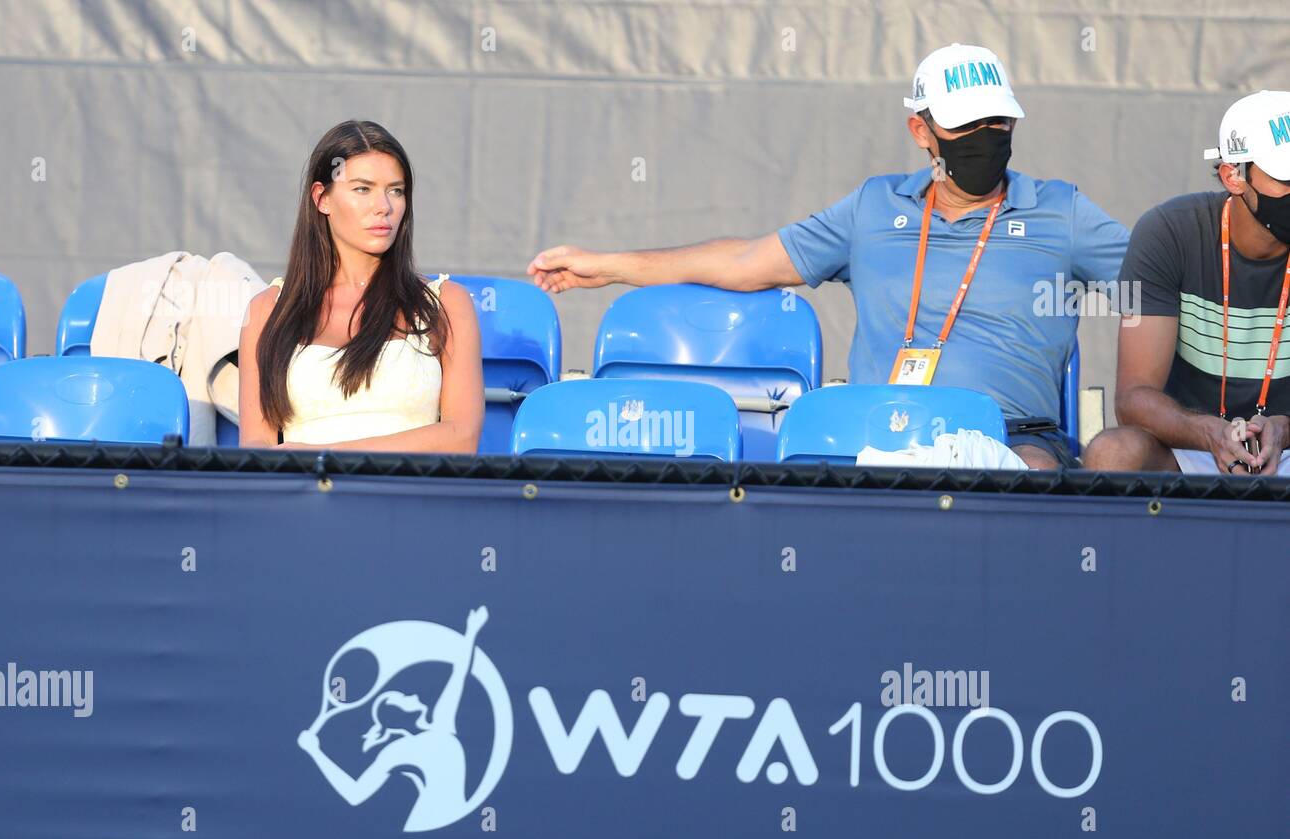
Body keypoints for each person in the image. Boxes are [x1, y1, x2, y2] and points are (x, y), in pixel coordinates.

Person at [526, 44, 1128, 469]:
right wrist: (607, 266)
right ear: (921, 132)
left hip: (1012, 438)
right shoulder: (873, 208)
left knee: (1024, 477)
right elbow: (744, 262)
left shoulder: (1061, 212)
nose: (985, 136)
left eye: (997, 121)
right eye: (965, 125)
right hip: (881, 432)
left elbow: (1152, 286)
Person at [239, 120, 483, 453]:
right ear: (322, 198)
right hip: (305, 486)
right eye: (363, 189)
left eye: (395, 190)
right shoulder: (267, 310)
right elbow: (256, 445)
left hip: (406, 487)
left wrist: (329, 456)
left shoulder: (447, 303)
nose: (384, 206)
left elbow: (462, 437)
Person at [1084, 90, 1290, 475]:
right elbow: (1133, 398)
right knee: (1112, 452)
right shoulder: (1170, 232)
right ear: (1233, 176)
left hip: (1286, 446)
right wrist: (1209, 432)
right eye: (1286, 177)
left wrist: (1284, 429)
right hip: (1193, 445)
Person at [298, 607, 487, 832]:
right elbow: (355, 795)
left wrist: (471, 631)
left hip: (450, 820)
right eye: (404, 699)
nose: (413, 696)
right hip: (425, 826)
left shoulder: (442, 724)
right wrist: (315, 752)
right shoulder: (398, 751)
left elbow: (459, 672)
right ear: (398, 716)